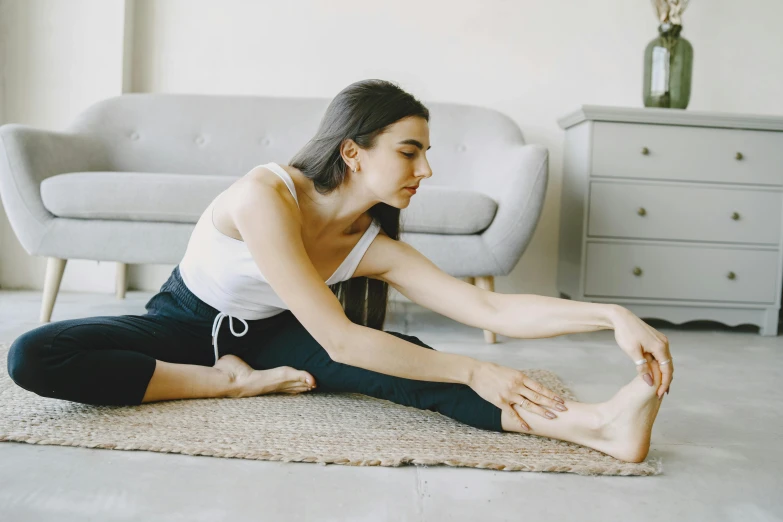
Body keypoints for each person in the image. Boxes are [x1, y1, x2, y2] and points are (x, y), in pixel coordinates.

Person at [6, 79, 673, 463]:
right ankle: (225, 385)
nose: (426, 170)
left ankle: (595, 426)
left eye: (426, 153)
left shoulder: (370, 242)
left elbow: (490, 311)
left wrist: (608, 315)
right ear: (353, 152)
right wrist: (476, 366)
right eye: (409, 151)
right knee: (36, 353)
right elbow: (341, 339)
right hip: (184, 321)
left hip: (274, 332)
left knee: (410, 364)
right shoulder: (265, 196)